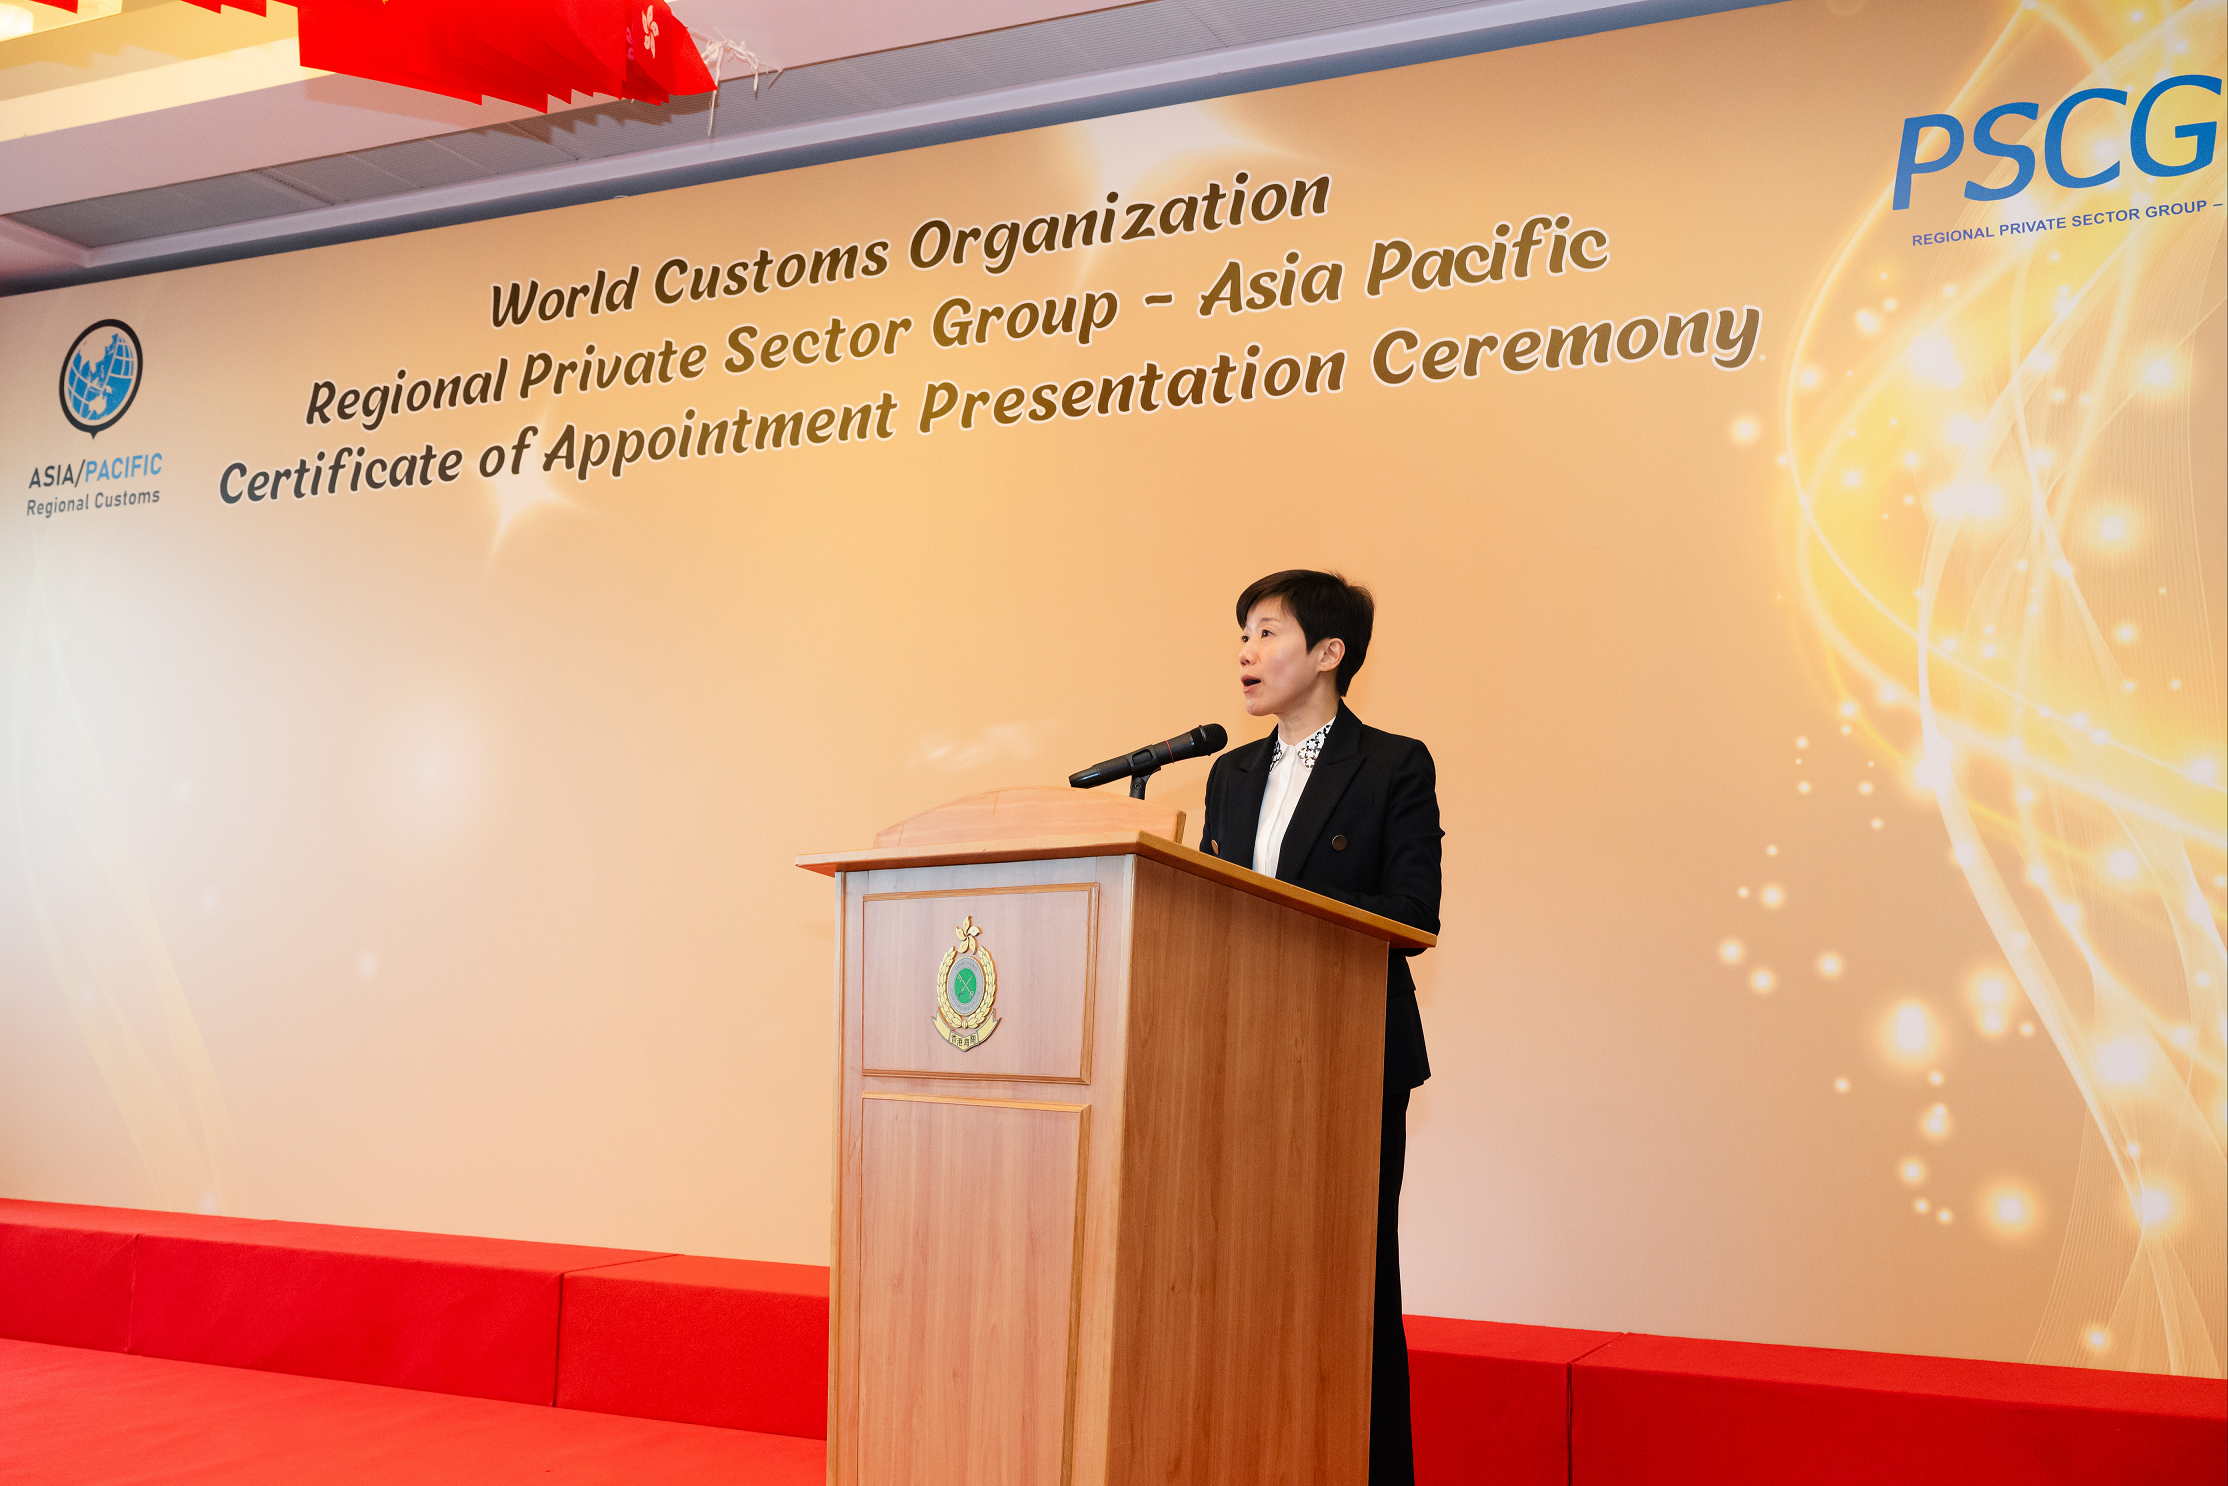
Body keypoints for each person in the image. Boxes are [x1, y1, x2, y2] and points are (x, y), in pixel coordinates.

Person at [1197, 569, 1441, 1486]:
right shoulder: (1229, 772)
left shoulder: (1393, 765)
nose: (1246, 652)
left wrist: (1282, 911)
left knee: (1351, 1284)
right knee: (1242, 1280)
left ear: (1329, 653)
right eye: (1242, 634)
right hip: (1239, 1056)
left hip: (1350, 1054)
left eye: (1266, 632)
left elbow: (1415, 912)